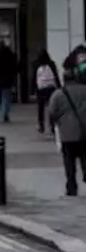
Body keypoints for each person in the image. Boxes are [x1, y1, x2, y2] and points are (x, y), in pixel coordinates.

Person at [47, 62, 86, 196]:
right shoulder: (84, 90)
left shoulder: (58, 94)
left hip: (67, 134)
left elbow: (52, 112)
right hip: (84, 132)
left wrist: (52, 126)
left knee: (69, 162)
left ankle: (71, 186)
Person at [34, 49, 62, 134]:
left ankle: (41, 124)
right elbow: (56, 75)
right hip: (51, 88)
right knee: (51, 107)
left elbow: (33, 77)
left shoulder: (36, 64)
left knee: (40, 108)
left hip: (41, 88)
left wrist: (34, 89)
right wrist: (59, 86)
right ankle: (52, 125)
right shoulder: (51, 64)